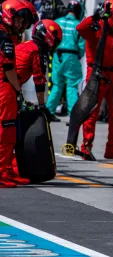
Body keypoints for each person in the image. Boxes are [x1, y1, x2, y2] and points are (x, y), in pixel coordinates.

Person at [76, 0, 113, 160]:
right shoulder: (95, 28)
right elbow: (80, 29)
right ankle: (86, 147)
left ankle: (111, 148)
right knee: (92, 112)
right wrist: (95, 17)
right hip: (96, 73)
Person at [0, 0, 34, 188]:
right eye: (19, 21)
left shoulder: (5, 35)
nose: (21, 25)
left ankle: (6, 169)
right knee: (6, 131)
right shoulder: (4, 38)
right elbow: (8, 69)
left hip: (5, 88)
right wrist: (17, 88)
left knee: (9, 132)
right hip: (4, 88)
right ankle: (2, 171)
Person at [46, 0, 85, 122]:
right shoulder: (79, 26)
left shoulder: (57, 22)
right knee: (72, 87)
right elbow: (82, 47)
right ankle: (73, 116)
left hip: (57, 56)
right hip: (72, 56)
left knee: (57, 85)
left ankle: (48, 112)